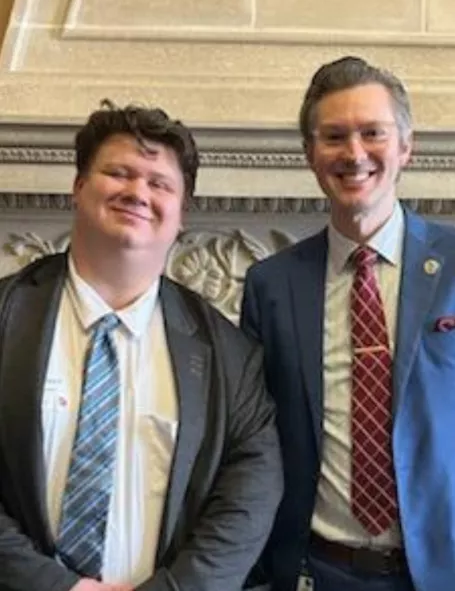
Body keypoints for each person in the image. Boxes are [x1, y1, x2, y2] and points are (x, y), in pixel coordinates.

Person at [0, 101, 283, 591]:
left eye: (159, 184)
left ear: (181, 214)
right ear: (78, 187)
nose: (137, 192)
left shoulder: (230, 356)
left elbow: (250, 498)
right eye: (118, 173)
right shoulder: (5, 315)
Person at [241, 55, 455, 591]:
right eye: (334, 136)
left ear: (406, 147)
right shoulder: (271, 285)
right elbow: (254, 437)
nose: (354, 153)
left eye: (373, 133)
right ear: (310, 155)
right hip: (315, 570)